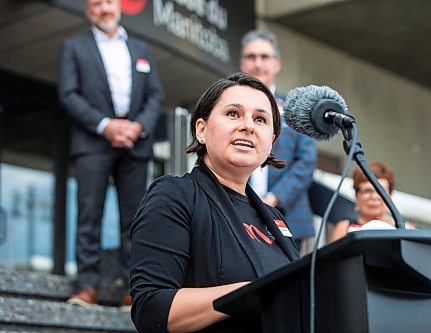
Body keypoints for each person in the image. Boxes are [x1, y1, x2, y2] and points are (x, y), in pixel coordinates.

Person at [129, 73, 300, 332]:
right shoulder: (175, 195)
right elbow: (151, 308)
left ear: (271, 141)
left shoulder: (275, 219)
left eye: (260, 119)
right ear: (201, 130)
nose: (248, 126)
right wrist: (249, 294)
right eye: (233, 114)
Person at [58, 0, 164, 307]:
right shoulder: (73, 47)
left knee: (136, 220)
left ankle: (134, 289)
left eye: (108, 1)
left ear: (118, 6)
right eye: (96, 3)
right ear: (88, 10)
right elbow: (68, 93)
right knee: (89, 215)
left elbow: (155, 93)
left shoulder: (142, 48)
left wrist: (138, 127)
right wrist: (105, 126)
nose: (104, 8)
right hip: (93, 142)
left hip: (135, 143)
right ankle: (87, 286)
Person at [239, 29, 317, 250]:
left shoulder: (295, 108)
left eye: (264, 57)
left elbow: (306, 162)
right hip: (237, 213)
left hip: (288, 214)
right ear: (242, 63)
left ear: (277, 64)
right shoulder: (228, 107)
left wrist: (273, 198)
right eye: (251, 57)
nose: (258, 63)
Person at [331, 162, 406, 242]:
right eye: (367, 191)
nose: (374, 197)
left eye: (381, 191)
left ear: (390, 195)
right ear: (356, 196)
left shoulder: (406, 230)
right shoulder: (344, 228)